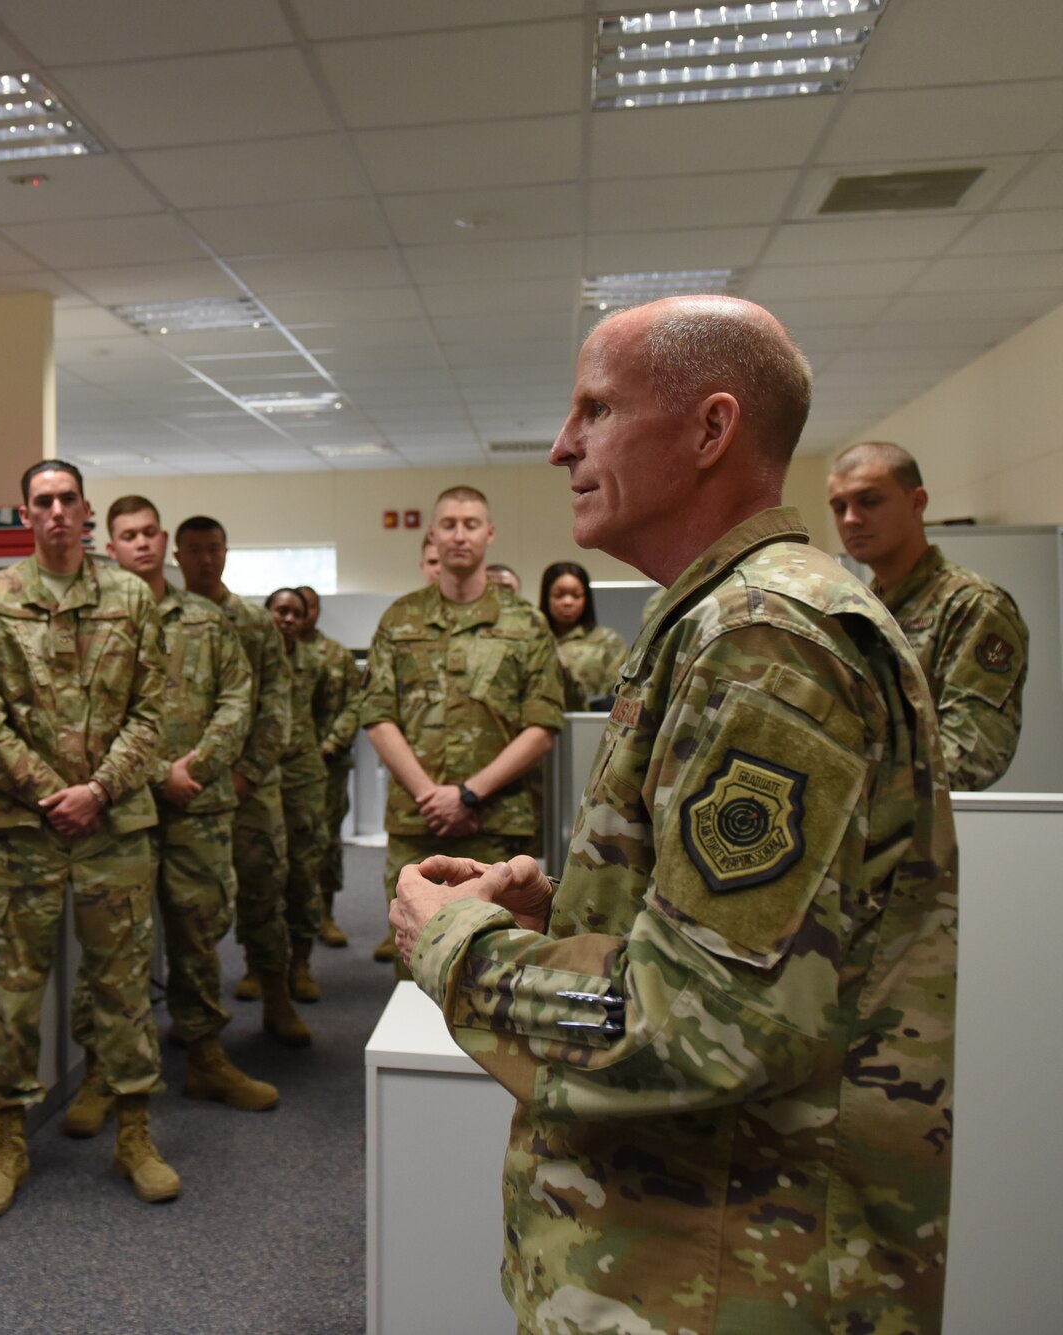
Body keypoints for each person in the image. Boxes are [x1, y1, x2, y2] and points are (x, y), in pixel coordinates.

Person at [391, 296, 957, 1333]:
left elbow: (707, 1024)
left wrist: (458, 949)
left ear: (709, 429)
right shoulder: (718, 617)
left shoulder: (762, 638)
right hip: (689, 1248)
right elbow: (760, 942)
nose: (561, 446)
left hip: (724, 1272)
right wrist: (556, 912)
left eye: (594, 410)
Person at [0, 460, 178, 1216]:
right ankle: (9, 1142)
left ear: (86, 510)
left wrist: (98, 790)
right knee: (15, 991)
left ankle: (135, 1135)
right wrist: (50, 793)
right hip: (25, 829)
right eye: (42, 501)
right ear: (26, 512)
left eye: (67, 500)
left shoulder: (129, 597)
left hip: (114, 826)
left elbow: (153, 714)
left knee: (122, 986)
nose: (56, 511)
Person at [60, 496, 272, 1131]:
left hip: (195, 804)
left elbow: (239, 696)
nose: (143, 544)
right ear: (112, 546)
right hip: (118, 805)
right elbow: (80, 717)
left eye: (151, 532)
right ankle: (101, 1069)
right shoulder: (96, 619)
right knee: (114, 943)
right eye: (129, 536)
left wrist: (198, 766)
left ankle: (206, 1055)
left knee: (198, 931)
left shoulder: (207, 620)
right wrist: (158, 772)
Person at [360, 487, 562, 967]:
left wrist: (468, 795)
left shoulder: (526, 623)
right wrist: (433, 796)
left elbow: (542, 726)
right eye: (448, 524)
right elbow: (377, 715)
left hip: (497, 822)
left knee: (501, 959)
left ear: (489, 534)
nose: (459, 535)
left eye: (471, 524)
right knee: (413, 959)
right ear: (432, 534)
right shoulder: (399, 618)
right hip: (418, 822)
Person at [172, 516, 309, 1047]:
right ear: (178, 556)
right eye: (194, 550)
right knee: (194, 909)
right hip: (187, 789)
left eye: (214, 549)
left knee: (264, 893)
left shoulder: (255, 623)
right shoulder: (164, 619)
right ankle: (197, 1020)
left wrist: (246, 774)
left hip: (250, 788)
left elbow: (277, 705)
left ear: (227, 553)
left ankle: (276, 997)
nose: (206, 559)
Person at [827, 439, 1028, 790]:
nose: (851, 519)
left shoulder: (972, 606)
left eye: (869, 501)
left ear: (917, 502)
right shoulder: (859, 610)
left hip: (927, 833)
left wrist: (854, 793)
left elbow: (974, 751)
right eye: (839, 507)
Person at [261, 588, 327, 1002]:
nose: (287, 618)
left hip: (304, 774)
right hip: (261, 775)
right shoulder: (252, 658)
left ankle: (300, 963)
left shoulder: (316, 663)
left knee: (304, 871)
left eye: (295, 613)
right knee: (263, 873)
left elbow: (327, 711)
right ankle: (261, 967)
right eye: (280, 610)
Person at [295, 586, 358, 948]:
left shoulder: (336, 654)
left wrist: (330, 745)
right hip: (285, 768)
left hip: (328, 766)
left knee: (327, 842)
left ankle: (325, 914)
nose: (304, 613)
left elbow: (355, 703)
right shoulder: (274, 651)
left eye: (312, 606)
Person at [538, 560, 626, 710]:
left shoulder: (608, 641)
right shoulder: (534, 639)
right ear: (547, 597)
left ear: (586, 598)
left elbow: (620, 692)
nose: (568, 602)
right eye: (559, 595)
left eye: (576, 595)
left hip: (591, 723)